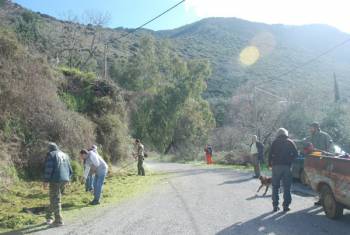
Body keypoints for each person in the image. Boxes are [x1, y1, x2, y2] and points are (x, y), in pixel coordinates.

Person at [268, 128, 298, 212]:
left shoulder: (275, 142)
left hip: (276, 166)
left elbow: (270, 154)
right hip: (287, 167)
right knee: (287, 187)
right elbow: (296, 154)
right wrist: (290, 161)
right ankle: (286, 206)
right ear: (286, 134)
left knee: (275, 186)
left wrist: (270, 164)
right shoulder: (290, 142)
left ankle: (275, 205)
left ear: (278, 134)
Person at [43, 142, 73, 226]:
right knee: (55, 199)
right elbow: (70, 169)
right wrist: (68, 179)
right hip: (64, 179)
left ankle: (58, 220)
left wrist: (45, 181)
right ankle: (49, 217)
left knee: (55, 200)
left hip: (55, 180)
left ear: (49, 149)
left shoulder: (51, 155)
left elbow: (49, 168)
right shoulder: (65, 155)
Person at [305, 122, 333, 206]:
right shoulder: (311, 137)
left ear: (316, 128)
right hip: (315, 162)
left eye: (311, 127)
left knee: (326, 181)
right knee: (318, 181)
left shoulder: (325, 136)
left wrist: (328, 158)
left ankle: (327, 200)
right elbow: (308, 148)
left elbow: (330, 148)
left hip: (324, 161)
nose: (310, 129)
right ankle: (321, 199)